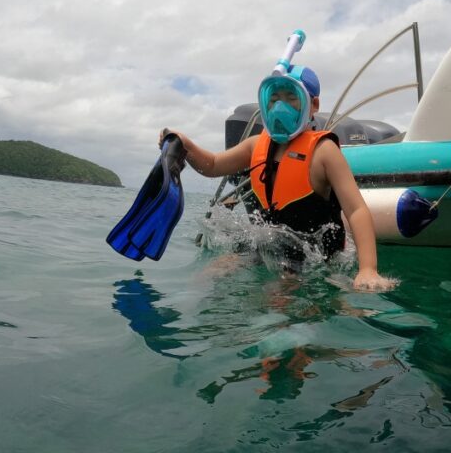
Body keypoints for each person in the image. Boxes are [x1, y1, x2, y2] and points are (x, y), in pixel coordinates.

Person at [163, 64, 392, 292]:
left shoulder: (324, 152)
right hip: (270, 249)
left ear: (313, 105)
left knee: (278, 296)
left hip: (314, 258)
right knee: (213, 272)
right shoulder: (255, 145)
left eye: (291, 98)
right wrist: (185, 144)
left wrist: (368, 269)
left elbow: (356, 210)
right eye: (273, 100)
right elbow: (212, 165)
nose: (280, 107)